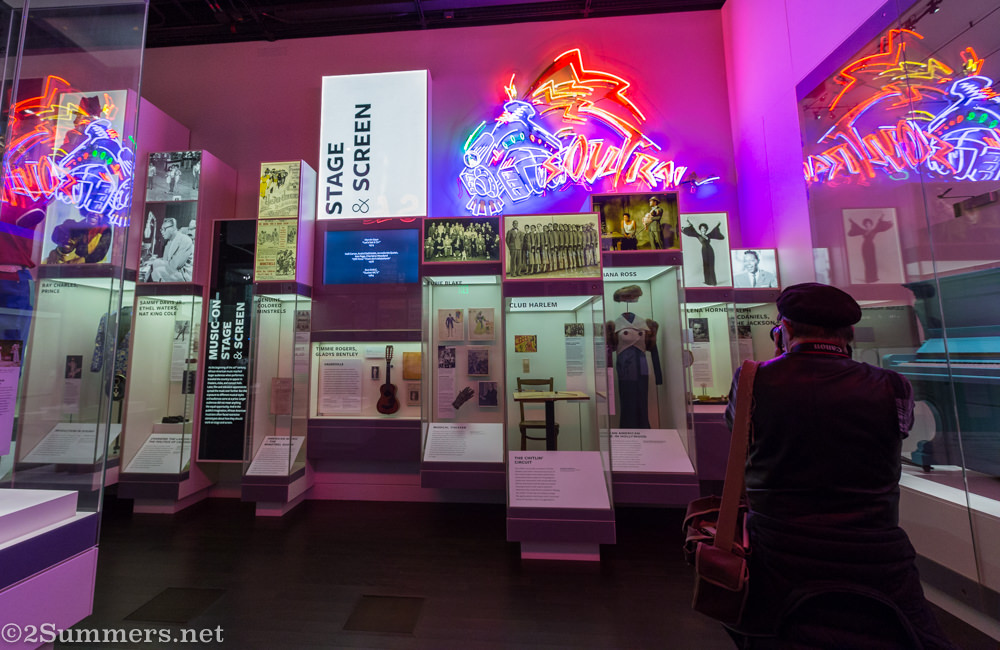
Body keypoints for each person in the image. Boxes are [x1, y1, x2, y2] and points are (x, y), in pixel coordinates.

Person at [723, 283, 956, 649]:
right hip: (873, 552)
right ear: (848, 334)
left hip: (780, 547)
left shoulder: (753, 379)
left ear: (784, 329)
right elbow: (900, 431)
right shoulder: (893, 386)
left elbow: (738, 431)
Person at [47, 209, 112, 264]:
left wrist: (79, 261)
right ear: (86, 211)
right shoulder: (77, 226)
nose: (95, 214)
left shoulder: (105, 230)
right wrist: (57, 252)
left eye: (100, 211)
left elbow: (99, 255)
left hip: (95, 271)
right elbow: (59, 235)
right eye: (91, 210)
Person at [847, 215, 893, 283]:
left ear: (871, 224)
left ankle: (874, 278)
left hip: (871, 247)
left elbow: (879, 224)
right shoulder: (862, 231)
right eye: (866, 224)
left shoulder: (875, 230)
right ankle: (868, 279)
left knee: (872, 261)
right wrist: (851, 221)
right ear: (865, 225)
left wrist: (881, 217)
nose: (867, 225)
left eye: (869, 223)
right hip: (865, 247)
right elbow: (856, 226)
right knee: (867, 262)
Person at [681, 219, 725, 286]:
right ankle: (707, 281)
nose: (703, 229)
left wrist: (718, 224)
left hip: (710, 251)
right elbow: (692, 229)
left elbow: (714, 230)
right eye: (701, 228)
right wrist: (689, 223)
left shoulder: (709, 235)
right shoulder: (698, 235)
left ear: (706, 229)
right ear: (700, 229)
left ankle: (713, 282)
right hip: (704, 251)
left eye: (704, 228)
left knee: (711, 266)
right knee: (705, 265)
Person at [149, 217, 194, 282]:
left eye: (164, 229)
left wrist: (157, 262)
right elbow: (166, 260)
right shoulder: (169, 242)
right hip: (175, 271)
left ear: (173, 228)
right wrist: (155, 261)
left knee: (157, 272)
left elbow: (176, 265)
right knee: (155, 264)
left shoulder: (185, 240)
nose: (162, 232)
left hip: (184, 275)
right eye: (161, 229)